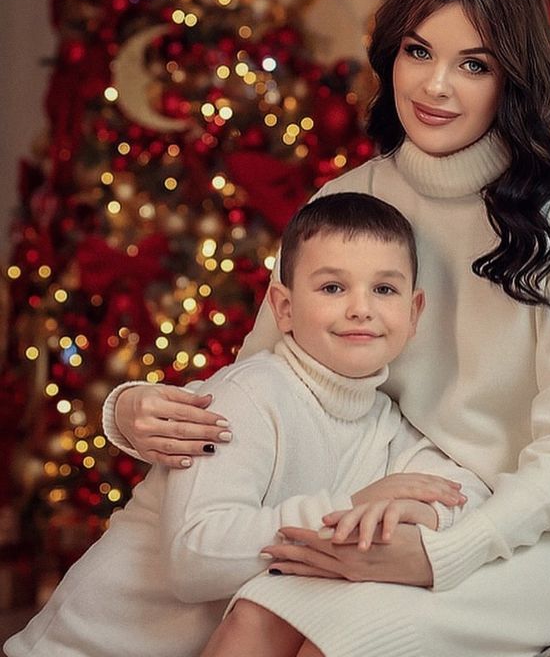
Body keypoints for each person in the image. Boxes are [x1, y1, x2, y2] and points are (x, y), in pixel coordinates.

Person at [101, 0, 550, 657]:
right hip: (403, 507)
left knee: (339, 640)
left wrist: (442, 555)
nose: (434, 87)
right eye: (417, 51)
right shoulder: (345, 201)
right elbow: (263, 379)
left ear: (512, 79)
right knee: (254, 619)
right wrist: (126, 411)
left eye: (474, 64)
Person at [5, 193, 490, 657]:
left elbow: (465, 495)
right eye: (332, 287)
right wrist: (354, 507)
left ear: (413, 311)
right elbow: (194, 558)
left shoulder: (386, 425)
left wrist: (423, 514)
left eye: (384, 289)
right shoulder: (247, 397)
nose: (360, 307)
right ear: (283, 308)